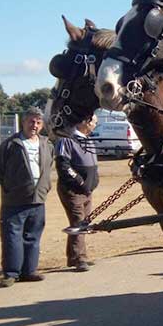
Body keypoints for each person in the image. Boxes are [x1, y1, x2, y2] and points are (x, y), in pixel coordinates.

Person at [0, 107, 54, 287]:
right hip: (14, 201)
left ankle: (29, 271)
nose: (34, 125)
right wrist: (11, 186)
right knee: (12, 237)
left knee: (33, 237)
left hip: (38, 200)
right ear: (23, 122)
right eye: (31, 121)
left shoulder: (46, 144)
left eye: (38, 122)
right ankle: (11, 273)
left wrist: (44, 186)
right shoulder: (11, 144)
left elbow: (49, 167)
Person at [56, 114, 100, 272]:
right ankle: (80, 258)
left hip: (87, 191)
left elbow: (94, 164)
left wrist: (94, 182)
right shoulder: (66, 140)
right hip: (72, 190)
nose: (95, 126)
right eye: (94, 123)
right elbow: (63, 165)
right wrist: (80, 182)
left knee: (82, 224)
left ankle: (73, 257)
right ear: (86, 122)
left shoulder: (89, 140)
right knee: (78, 222)